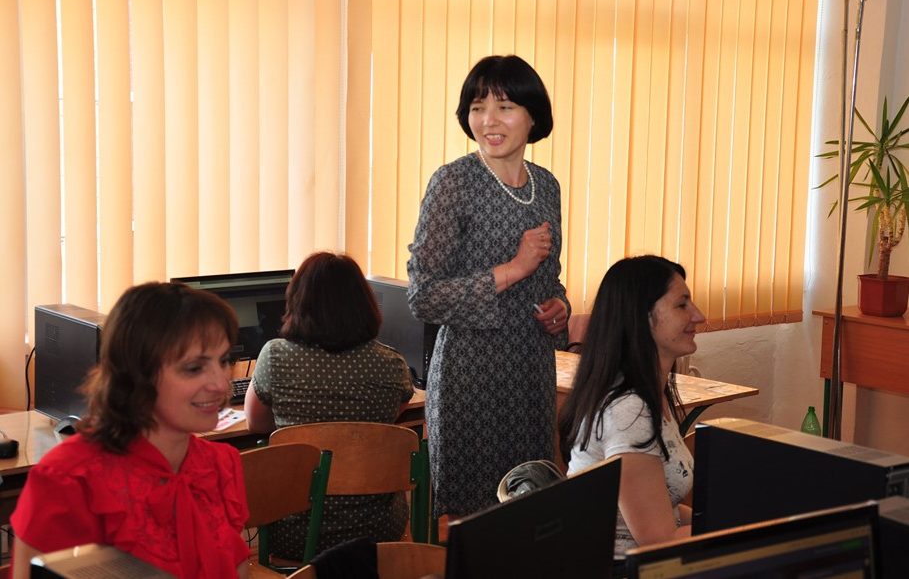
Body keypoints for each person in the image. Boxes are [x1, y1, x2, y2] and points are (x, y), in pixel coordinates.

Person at [407, 54, 570, 518]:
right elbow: (424, 295)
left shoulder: (547, 186)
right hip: (470, 377)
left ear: (533, 116)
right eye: (478, 107)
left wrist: (559, 306)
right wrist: (514, 268)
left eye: (504, 107)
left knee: (531, 510)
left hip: (531, 373)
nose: (488, 121)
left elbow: (551, 276)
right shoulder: (453, 183)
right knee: (475, 520)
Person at [11, 282, 250, 579]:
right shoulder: (69, 478)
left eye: (224, 361)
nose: (221, 383)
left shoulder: (220, 464)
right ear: (137, 376)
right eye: (193, 368)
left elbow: (237, 571)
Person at [244, 251, 414, 558]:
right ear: (364, 304)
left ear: (297, 302)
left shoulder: (276, 356)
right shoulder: (391, 364)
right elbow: (391, 416)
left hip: (295, 534)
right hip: (375, 532)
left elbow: (255, 423)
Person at [558, 255, 705, 573]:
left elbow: (664, 510)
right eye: (682, 305)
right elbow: (659, 541)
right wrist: (742, 526)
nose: (699, 315)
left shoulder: (651, 394)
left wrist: (730, 519)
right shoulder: (629, 411)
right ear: (642, 317)